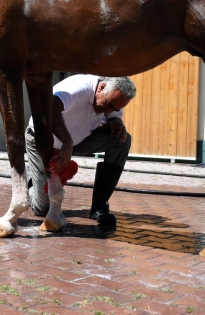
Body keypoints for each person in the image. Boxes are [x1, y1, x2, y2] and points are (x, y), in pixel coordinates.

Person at [26, 75, 136, 225]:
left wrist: (115, 121)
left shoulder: (111, 98)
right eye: (109, 104)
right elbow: (50, 107)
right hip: (43, 139)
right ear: (101, 87)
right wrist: (67, 142)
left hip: (74, 141)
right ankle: (30, 177)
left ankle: (99, 207)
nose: (108, 111)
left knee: (121, 140)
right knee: (41, 209)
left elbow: (112, 114)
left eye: (115, 109)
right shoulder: (79, 88)